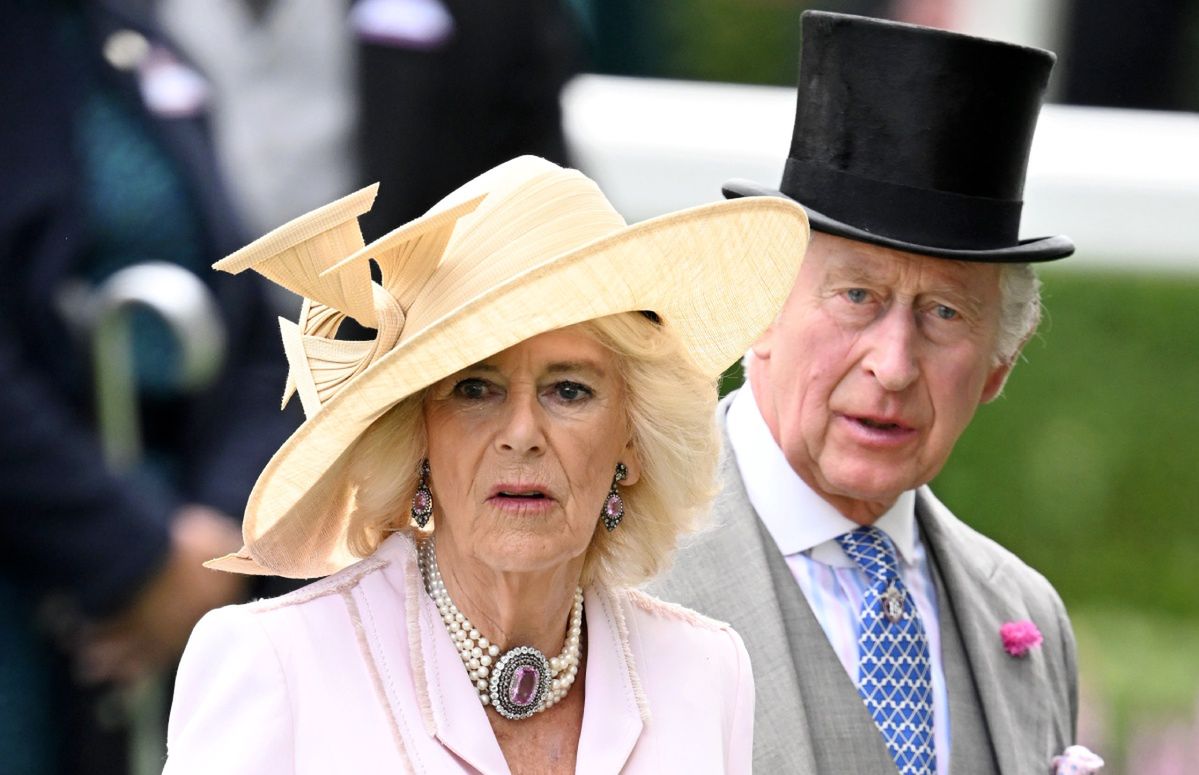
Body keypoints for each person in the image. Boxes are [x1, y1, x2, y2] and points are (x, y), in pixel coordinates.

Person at [161, 155, 811, 773]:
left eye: (569, 390)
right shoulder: (276, 665)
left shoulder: (704, 670)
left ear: (631, 443)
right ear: (419, 433)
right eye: (475, 389)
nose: (522, 434)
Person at [650, 11, 1091, 774]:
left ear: (998, 365)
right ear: (757, 306)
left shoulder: (1026, 615)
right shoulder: (613, 574)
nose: (892, 364)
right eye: (856, 295)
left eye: (944, 313)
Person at [0, 2, 299, 772]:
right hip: (43, 571)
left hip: (183, 549)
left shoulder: (127, 34)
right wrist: (129, 554)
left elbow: (259, 328)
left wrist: (218, 537)